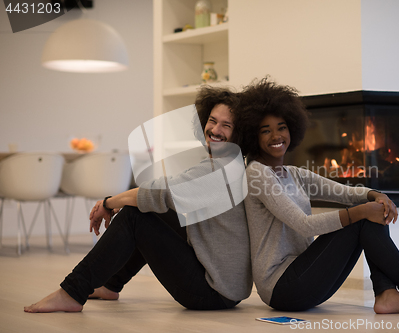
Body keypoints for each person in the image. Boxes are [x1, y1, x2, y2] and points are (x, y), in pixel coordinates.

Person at [237, 78, 399, 314]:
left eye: (281, 127)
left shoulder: (293, 174)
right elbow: (304, 225)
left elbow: (344, 192)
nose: (276, 135)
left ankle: (386, 293)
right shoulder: (257, 173)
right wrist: (362, 211)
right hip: (282, 288)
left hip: (304, 276)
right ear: (253, 136)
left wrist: (376, 195)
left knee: (369, 211)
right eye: (266, 130)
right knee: (362, 217)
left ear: (291, 128)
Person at [24, 86, 252, 313]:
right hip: (225, 286)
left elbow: (157, 193)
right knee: (150, 211)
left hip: (212, 292)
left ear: (239, 133)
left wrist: (108, 203)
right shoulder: (229, 165)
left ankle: (72, 292)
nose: (215, 129)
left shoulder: (218, 171)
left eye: (226, 125)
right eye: (212, 121)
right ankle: (110, 285)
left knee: (136, 215)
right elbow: (164, 191)